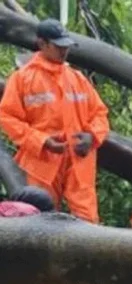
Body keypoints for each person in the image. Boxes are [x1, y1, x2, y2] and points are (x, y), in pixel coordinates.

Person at [0, 19, 109, 224]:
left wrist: (91, 136)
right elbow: (7, 117)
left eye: (66, 46)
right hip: (41, 162)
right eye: (58, 46)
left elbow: (100, 114)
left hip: (79, 160)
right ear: (42, 44)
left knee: (87, 220)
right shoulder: (22, 79)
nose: (64, 51)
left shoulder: (77, 79)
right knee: (39, 219)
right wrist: (41, 141)